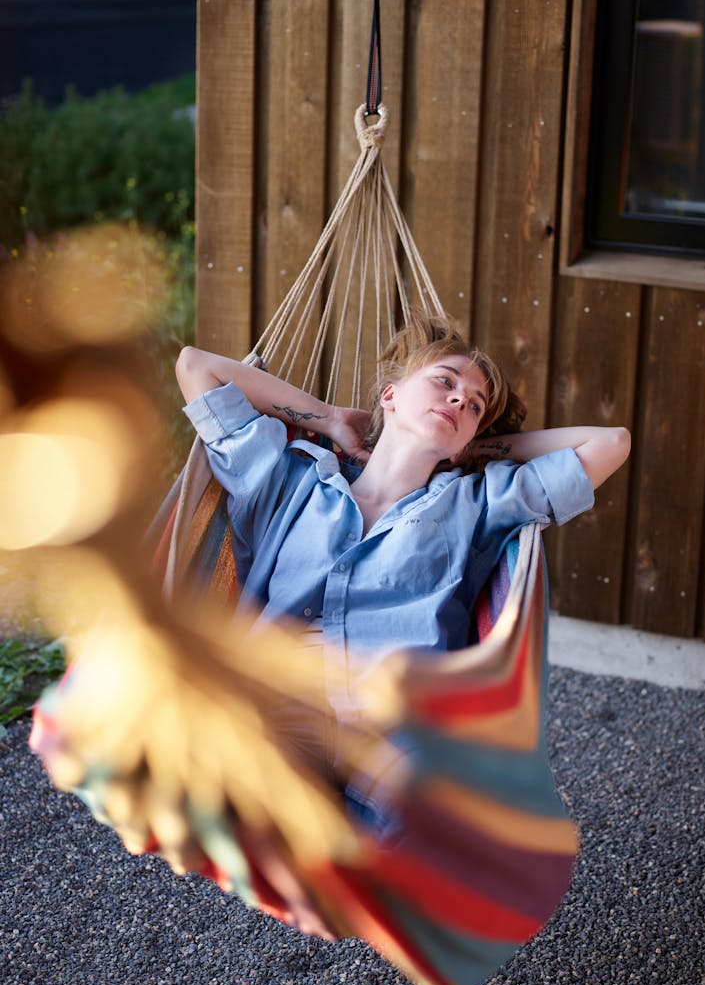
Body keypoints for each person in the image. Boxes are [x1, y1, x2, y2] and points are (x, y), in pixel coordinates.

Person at [175, 310, 630, 936]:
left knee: (443, 876)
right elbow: (196, 367)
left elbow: (611, 444)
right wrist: (332, 417)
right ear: (388, 395)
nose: (458, 400)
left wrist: (467, 449)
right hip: (275, 715)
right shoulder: (288, 479)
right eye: (444, 382)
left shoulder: (477, 504)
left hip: (395, 735)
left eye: (473, 404)